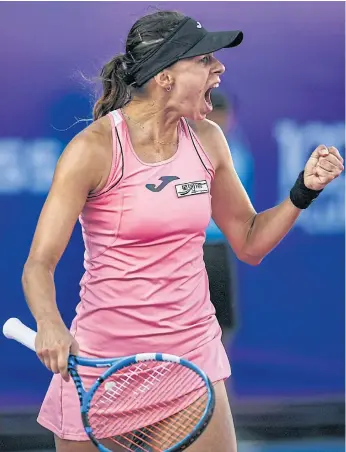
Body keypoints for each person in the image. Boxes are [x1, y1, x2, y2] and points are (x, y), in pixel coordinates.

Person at [21, 10, 344, 452]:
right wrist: (50, 323)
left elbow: (250, 242)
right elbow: (39, 264)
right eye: (205, 59)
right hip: (101, 371)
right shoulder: (92, 151)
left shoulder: (208, 139)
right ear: (166, 76)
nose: (220, 69)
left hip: (190, 364)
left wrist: (303, 191)